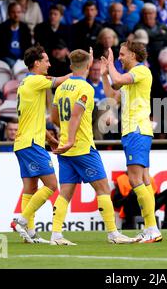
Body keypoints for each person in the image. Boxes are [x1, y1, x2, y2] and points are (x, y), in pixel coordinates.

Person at [49, 48, 136, 245]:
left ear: (71, 66)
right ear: (89, 66)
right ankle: (113, 234)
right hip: (82, 147)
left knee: (65, 193)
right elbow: (76, 115)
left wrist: (65, 138)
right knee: (103, 188)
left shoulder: (61, 88)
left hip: (65, 148)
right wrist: (72, 139)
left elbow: (54, 117)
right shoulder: (86, 88)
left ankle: (56, 234)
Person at [101, 42, 162, 243]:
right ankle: (150, 228)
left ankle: (152, 229)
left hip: (137, 131)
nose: (119, 58)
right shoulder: (129, 80)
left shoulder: (142, 71)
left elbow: (117, 77)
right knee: (144, 180)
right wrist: (103, 74)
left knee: (135, 180)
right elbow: (112, 94)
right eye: (117, 55)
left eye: (122, 54)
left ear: (133, 55)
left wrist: (110, 64)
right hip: (134, 132)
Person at [10, 45, 69, 244]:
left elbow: (31, 117)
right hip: (31, 144)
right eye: (46, 60)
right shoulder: (36, 80)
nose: (49, 64)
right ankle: (22, 220)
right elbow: (60, 81)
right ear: (36, 63)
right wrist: (78, 73)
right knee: (52, 185)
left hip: (23, 142)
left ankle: (31, 233)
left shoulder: (26, 83)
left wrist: (50, 138)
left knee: (30, 187)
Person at [0, 2, 33, 68]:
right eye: (13, 12)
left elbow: (29, 47)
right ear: (8, 13)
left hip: (22, 60)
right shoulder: (2, 28)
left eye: (18, 12)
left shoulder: (25, 28)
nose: (16, 15)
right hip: (6, 59)